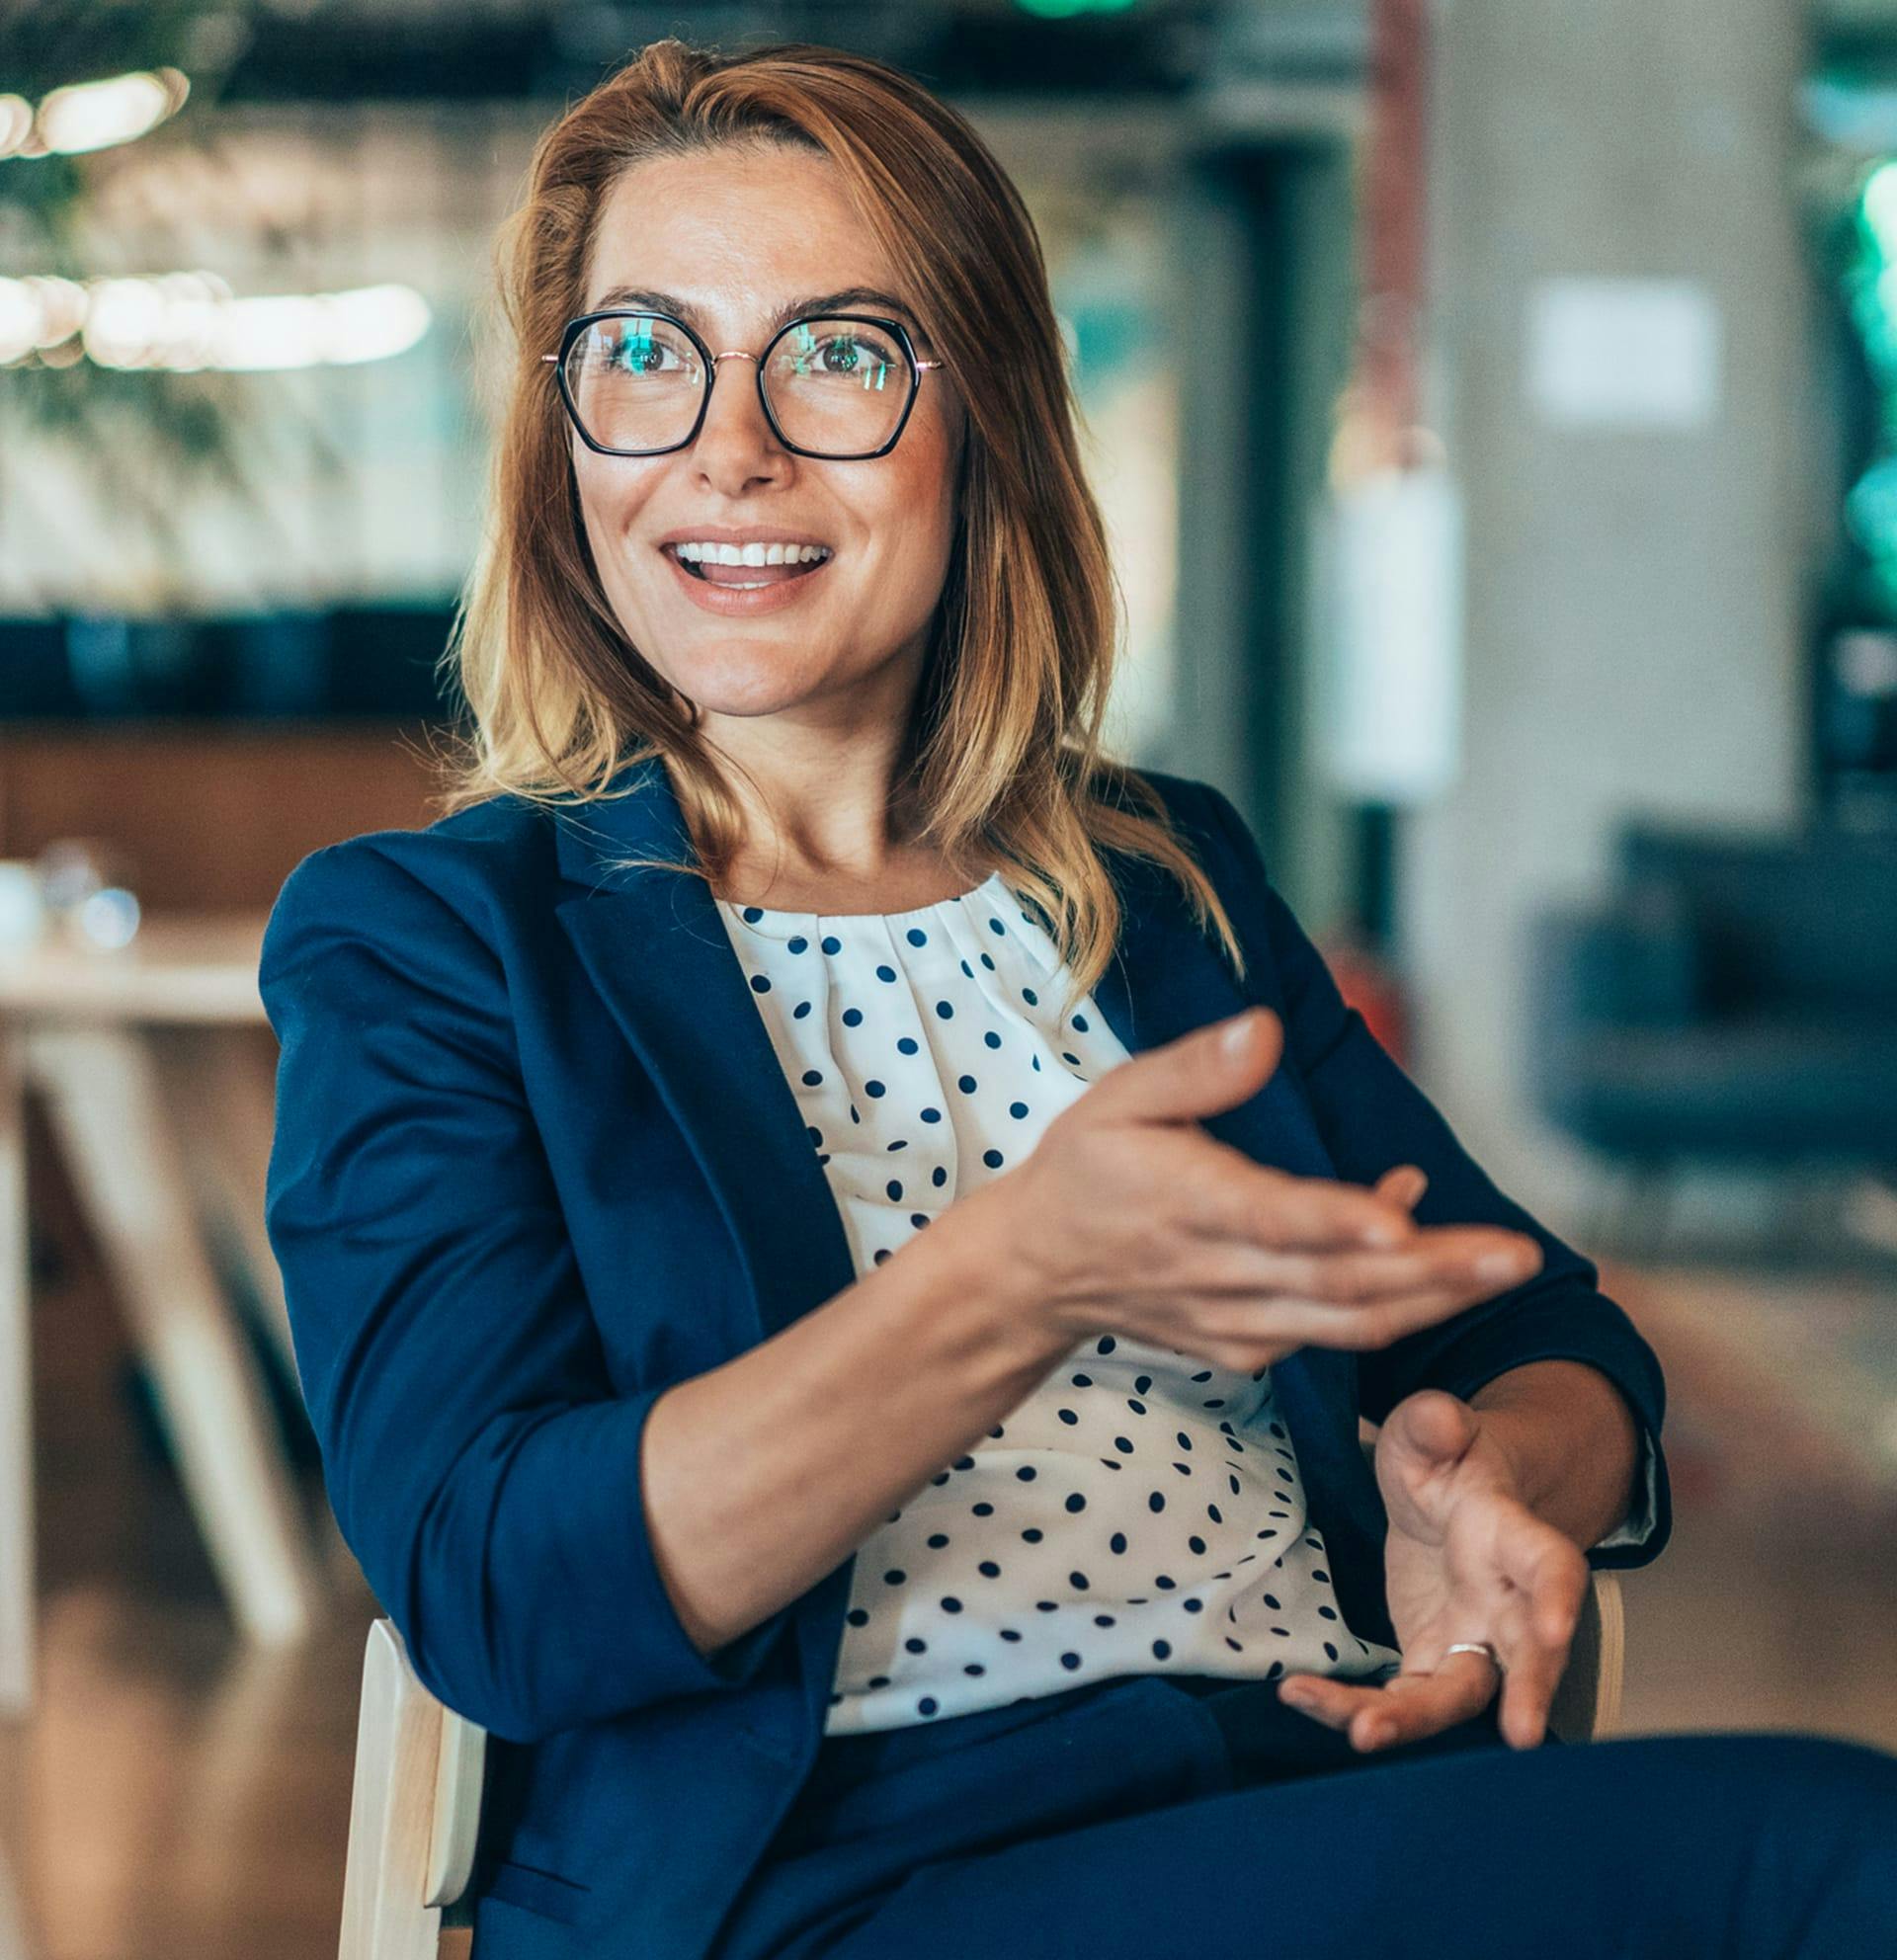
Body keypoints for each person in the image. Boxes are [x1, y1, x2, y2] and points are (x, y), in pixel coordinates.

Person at [258, 37, 1897, 1960]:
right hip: (840, 1874)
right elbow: (497, 1582)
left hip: (1317, 1786)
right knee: (1829, 1864)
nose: (728, 445)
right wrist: (1018, 1273)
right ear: (563, 442)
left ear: (990, 424)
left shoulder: (1157, 881)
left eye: (839, 353)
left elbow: (1542, 1327)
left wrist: (1496, 1481)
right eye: (644, 354)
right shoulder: (437, 939)